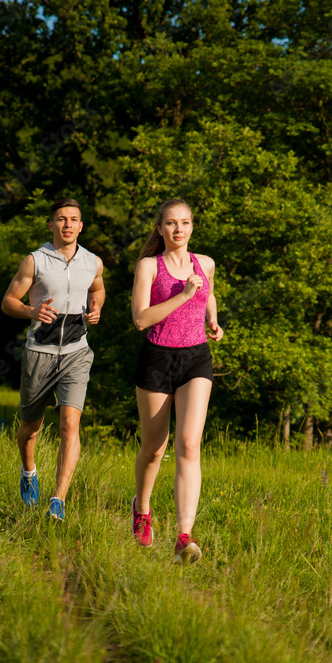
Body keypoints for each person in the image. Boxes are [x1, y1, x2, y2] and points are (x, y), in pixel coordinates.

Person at [131, 199, 223, 562]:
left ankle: (184, 535)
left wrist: (212, 320)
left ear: (192, 227)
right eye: (171, 224)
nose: (178, 229)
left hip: (196, 358)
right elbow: (140, 319)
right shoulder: (148, 267)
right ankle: (142, 507)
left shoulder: (206, 263)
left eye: (184, 223)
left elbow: (209, 292)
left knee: (189, 443)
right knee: (154, 448)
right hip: (157, 359)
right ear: (160, 229)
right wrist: (183, 295)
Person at [1, 199, 105, 520]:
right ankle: (28, 471)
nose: (68, 225)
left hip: (76, 352)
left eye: (74, 219)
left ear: (81, 226)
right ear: (51, 225)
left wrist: (96, 306)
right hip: (40, 353)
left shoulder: (93, 262)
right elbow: (8, 302)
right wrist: (32, 310)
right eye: (61, 219)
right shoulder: (35, 261)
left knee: (69, 425)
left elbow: (97, 289)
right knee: (30, 430)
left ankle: (58, 501)